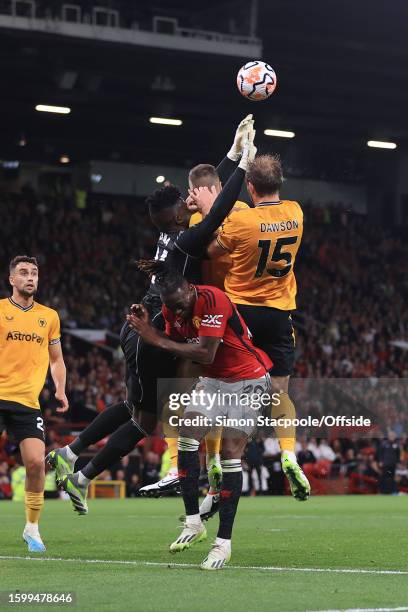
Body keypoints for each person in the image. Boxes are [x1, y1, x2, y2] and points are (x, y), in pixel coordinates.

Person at [48, 118, 256, 515]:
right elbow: (219, 206)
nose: (191, 200)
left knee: (135, 410)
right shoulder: (186, 239)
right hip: (151, 334)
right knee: (144, 420)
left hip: (141, 329)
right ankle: (77, 467)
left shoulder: (172, 228)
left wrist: (230, 153)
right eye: (185, 202)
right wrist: (244, 164)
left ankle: (74, 462)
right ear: (178, 216)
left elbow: (204, 193)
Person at [127, 261, 271, 570]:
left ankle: (223, 545)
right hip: (213, 381)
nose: (176, 313)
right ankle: (194, 522)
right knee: (187, 436)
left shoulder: (213, 299)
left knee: (232, 453)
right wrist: (151, 332)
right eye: (170, 308)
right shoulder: (170, 310)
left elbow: (205, 352)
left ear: (190, 289)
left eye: (180, 305)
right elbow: (176, 348)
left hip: (249, 379)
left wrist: (151, 336)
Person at [191, 154, 311, 500]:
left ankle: (215, 460)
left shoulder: (242, 223)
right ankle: (288, 453)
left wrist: (215, 209)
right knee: (280, 392)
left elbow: (210, 251)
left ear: (249, 186)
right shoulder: (296, 213)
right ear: (280, 183)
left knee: (222, 390)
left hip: (241, 313)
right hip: (279, 314)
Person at [0, 255, 68, 551]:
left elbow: (57, 360)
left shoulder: (49, 316)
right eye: (24, 273)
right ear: (12, 280)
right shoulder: (0, 311)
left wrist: (61, 389)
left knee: (37, 463)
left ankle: (32, 528)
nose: (30, 278)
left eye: (35, 273)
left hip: (27, 402)